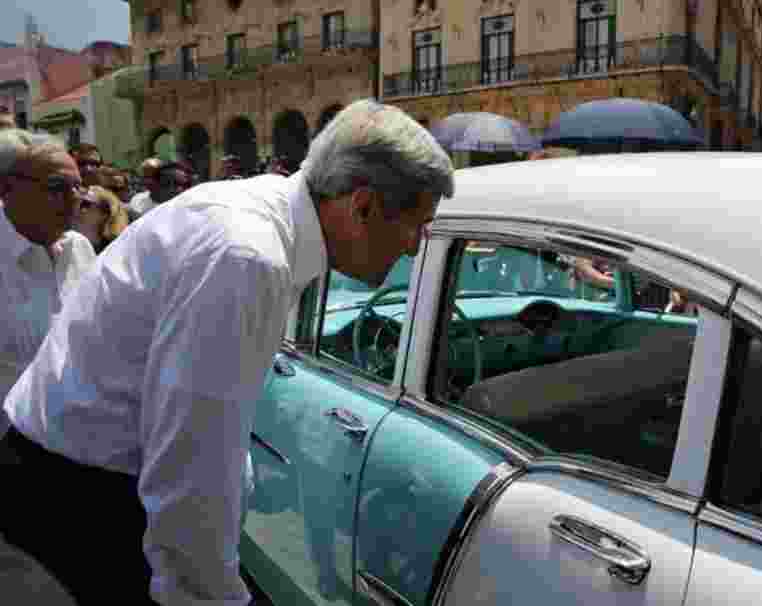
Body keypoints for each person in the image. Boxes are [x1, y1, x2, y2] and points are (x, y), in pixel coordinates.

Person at [0, 99, 454, 606]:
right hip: (74, 497)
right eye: (418, 224)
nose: (415, 247)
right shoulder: (247, 256)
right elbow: (189, 471)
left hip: (76, 478)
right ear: (363, 206)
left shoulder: (261, 225)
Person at [0, 129, 96, 429]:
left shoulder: (80, 249)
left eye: (78, 187)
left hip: (75, 437)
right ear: (6, 188)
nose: (74, 199)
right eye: (57, 187)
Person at [73, 185, 130, 254]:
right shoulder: (66, 241)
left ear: (104, 214)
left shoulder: (113, 250)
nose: (77, 207)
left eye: (85, 204)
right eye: (75, 201)